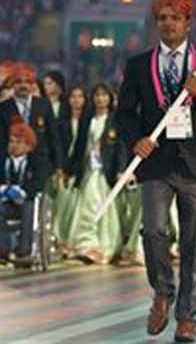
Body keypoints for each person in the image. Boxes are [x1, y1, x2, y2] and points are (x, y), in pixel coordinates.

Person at [115, 0, 196, 343]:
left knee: (195, 244)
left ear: (188, 22)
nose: (168, 24)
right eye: (162, 17)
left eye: (175, 17)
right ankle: (162, 291)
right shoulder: (138, 66)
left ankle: (188, 316)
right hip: (156, 165)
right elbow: (124, 113)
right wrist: (136, 140)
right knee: (153, 230)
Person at [68, 83, 123, 264]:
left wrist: (121, 169)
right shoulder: (87, 119)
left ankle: (106, 247)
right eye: (97, 95)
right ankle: (87, 243)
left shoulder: (115, 119)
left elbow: (121, 147)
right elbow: (79, 146)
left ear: (110, 98)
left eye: (104, 95)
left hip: (106, 171)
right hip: (89, 170)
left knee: (106, 208)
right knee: (88, 205)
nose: (101, 99)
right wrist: (69, 169)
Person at [0, 119, 46, 261]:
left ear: (28, 146)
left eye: (18, 142)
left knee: (28, 209)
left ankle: (24, 250)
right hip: (6, 201)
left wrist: (22, 192)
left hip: (26, 202)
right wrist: (3, 188)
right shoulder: (1, 160)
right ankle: (3, 249)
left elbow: (38, 183)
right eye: (11, 141)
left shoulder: (36, 162)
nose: (14, 146)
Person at [0, 63, 61, 180]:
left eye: (28, 82)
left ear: (33, 84)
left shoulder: (43, 105)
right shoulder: (2, 108)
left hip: (40, 166)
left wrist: (58, 166)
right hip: (11, 167)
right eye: (18, 82)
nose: (23, 86)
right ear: (12, 84)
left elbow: (53, 137)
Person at [53, 84, 89, 254]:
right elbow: (58, 146)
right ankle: (60, 239)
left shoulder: (89, 121)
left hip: (83, 168)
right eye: (73, 96)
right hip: (64, 168)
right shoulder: (61, 122)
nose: (76, 100)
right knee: (63, 204)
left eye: (80, 96)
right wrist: (61, 167)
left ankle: (74, 241)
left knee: (78, 205)